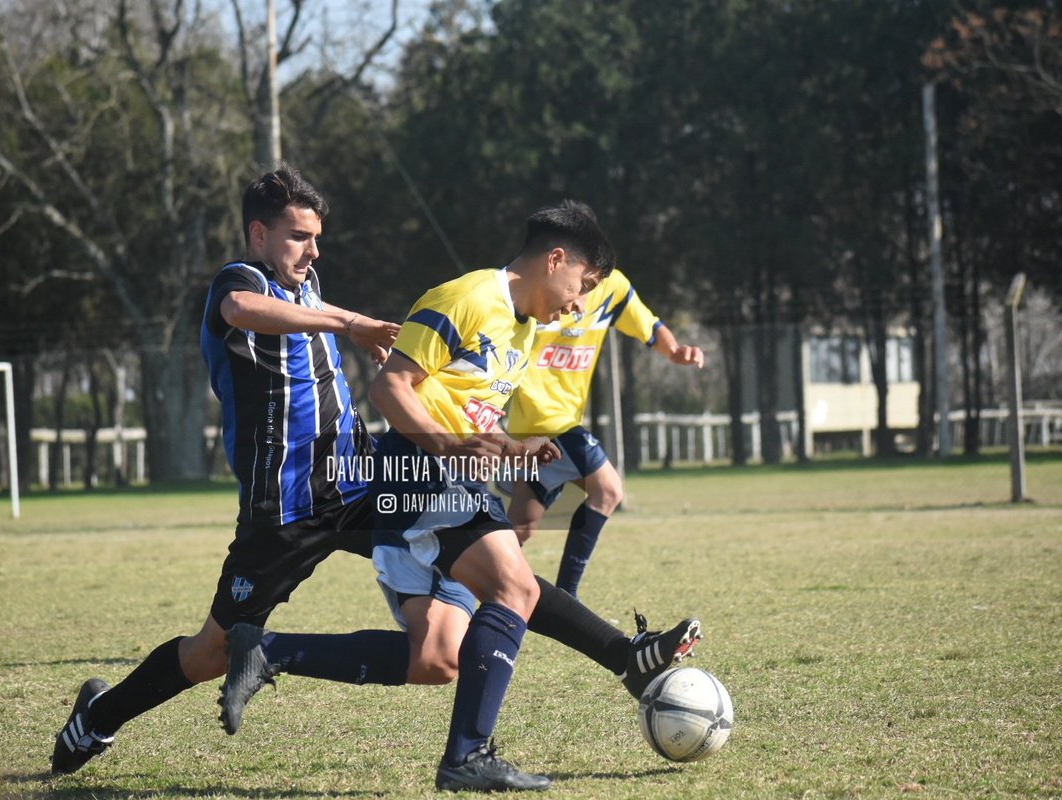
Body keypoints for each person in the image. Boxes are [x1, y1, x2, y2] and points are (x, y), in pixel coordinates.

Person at [219, 203, 700, 793]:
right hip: (417, 467)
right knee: (515, 587)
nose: (579, 304)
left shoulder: (525, 328)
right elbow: (390, 387)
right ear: (556, 260)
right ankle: (526, 720)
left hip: (447, 472)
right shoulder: (466, 298)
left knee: (437, 658)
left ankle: (265, 649)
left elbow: (463, 403)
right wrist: (450, 446)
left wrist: (513, 446)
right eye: (583, 285)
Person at [50, 165, 401, 774]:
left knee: (468, 536)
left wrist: (363, 327)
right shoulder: (236, 282)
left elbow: (317, 306)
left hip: (357, 482)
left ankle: (595, 650)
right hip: (284, 510)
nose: (312, 250)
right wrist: (350, 324)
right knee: (210, 652)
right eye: (298, 236)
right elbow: (242, 308)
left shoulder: (307, 286)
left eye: (317, 237)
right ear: (258, 234)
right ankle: (98, 719)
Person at [502, 202, 705, 599]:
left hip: (555, 426)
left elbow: (650, 326)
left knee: (519, 530)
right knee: (608, 490)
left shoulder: (612, 288)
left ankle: (455, 583)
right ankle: (566, 597)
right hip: (542, 424)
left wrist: (675, 351)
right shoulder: (540, 290)